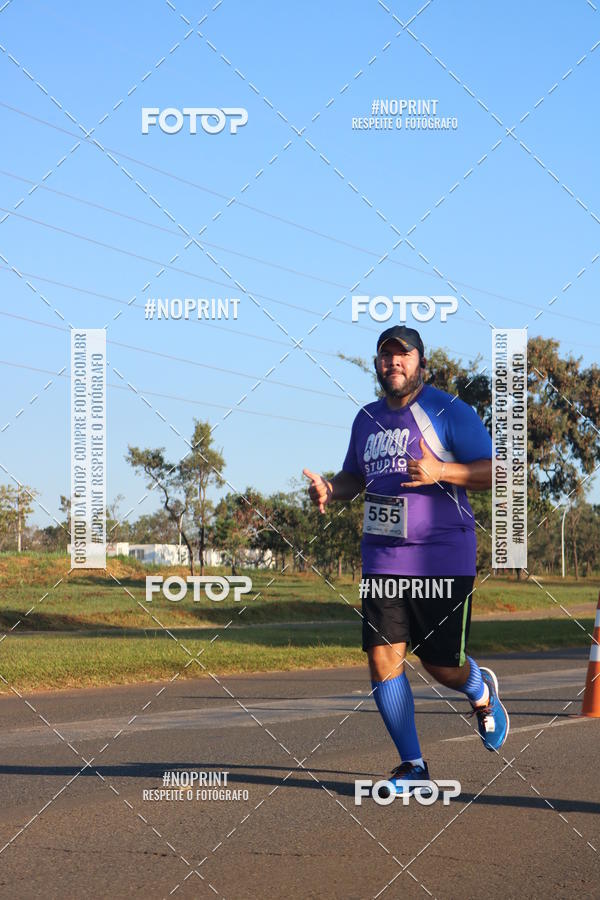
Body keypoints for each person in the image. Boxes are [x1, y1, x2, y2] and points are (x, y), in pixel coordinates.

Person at [303, 325, 509, 796]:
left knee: (441, 666)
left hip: (443, 558)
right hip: (382, 558)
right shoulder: (366, 419)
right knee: (382, 659)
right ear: (377, 363)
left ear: (420, 362)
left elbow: (496, 471)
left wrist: (442, 470)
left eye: (403, 355)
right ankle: (413, 766)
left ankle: (480, 691)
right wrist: (331, 489)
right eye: (385, 355)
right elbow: (354, 476)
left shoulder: (448, 410)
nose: (393, 362)